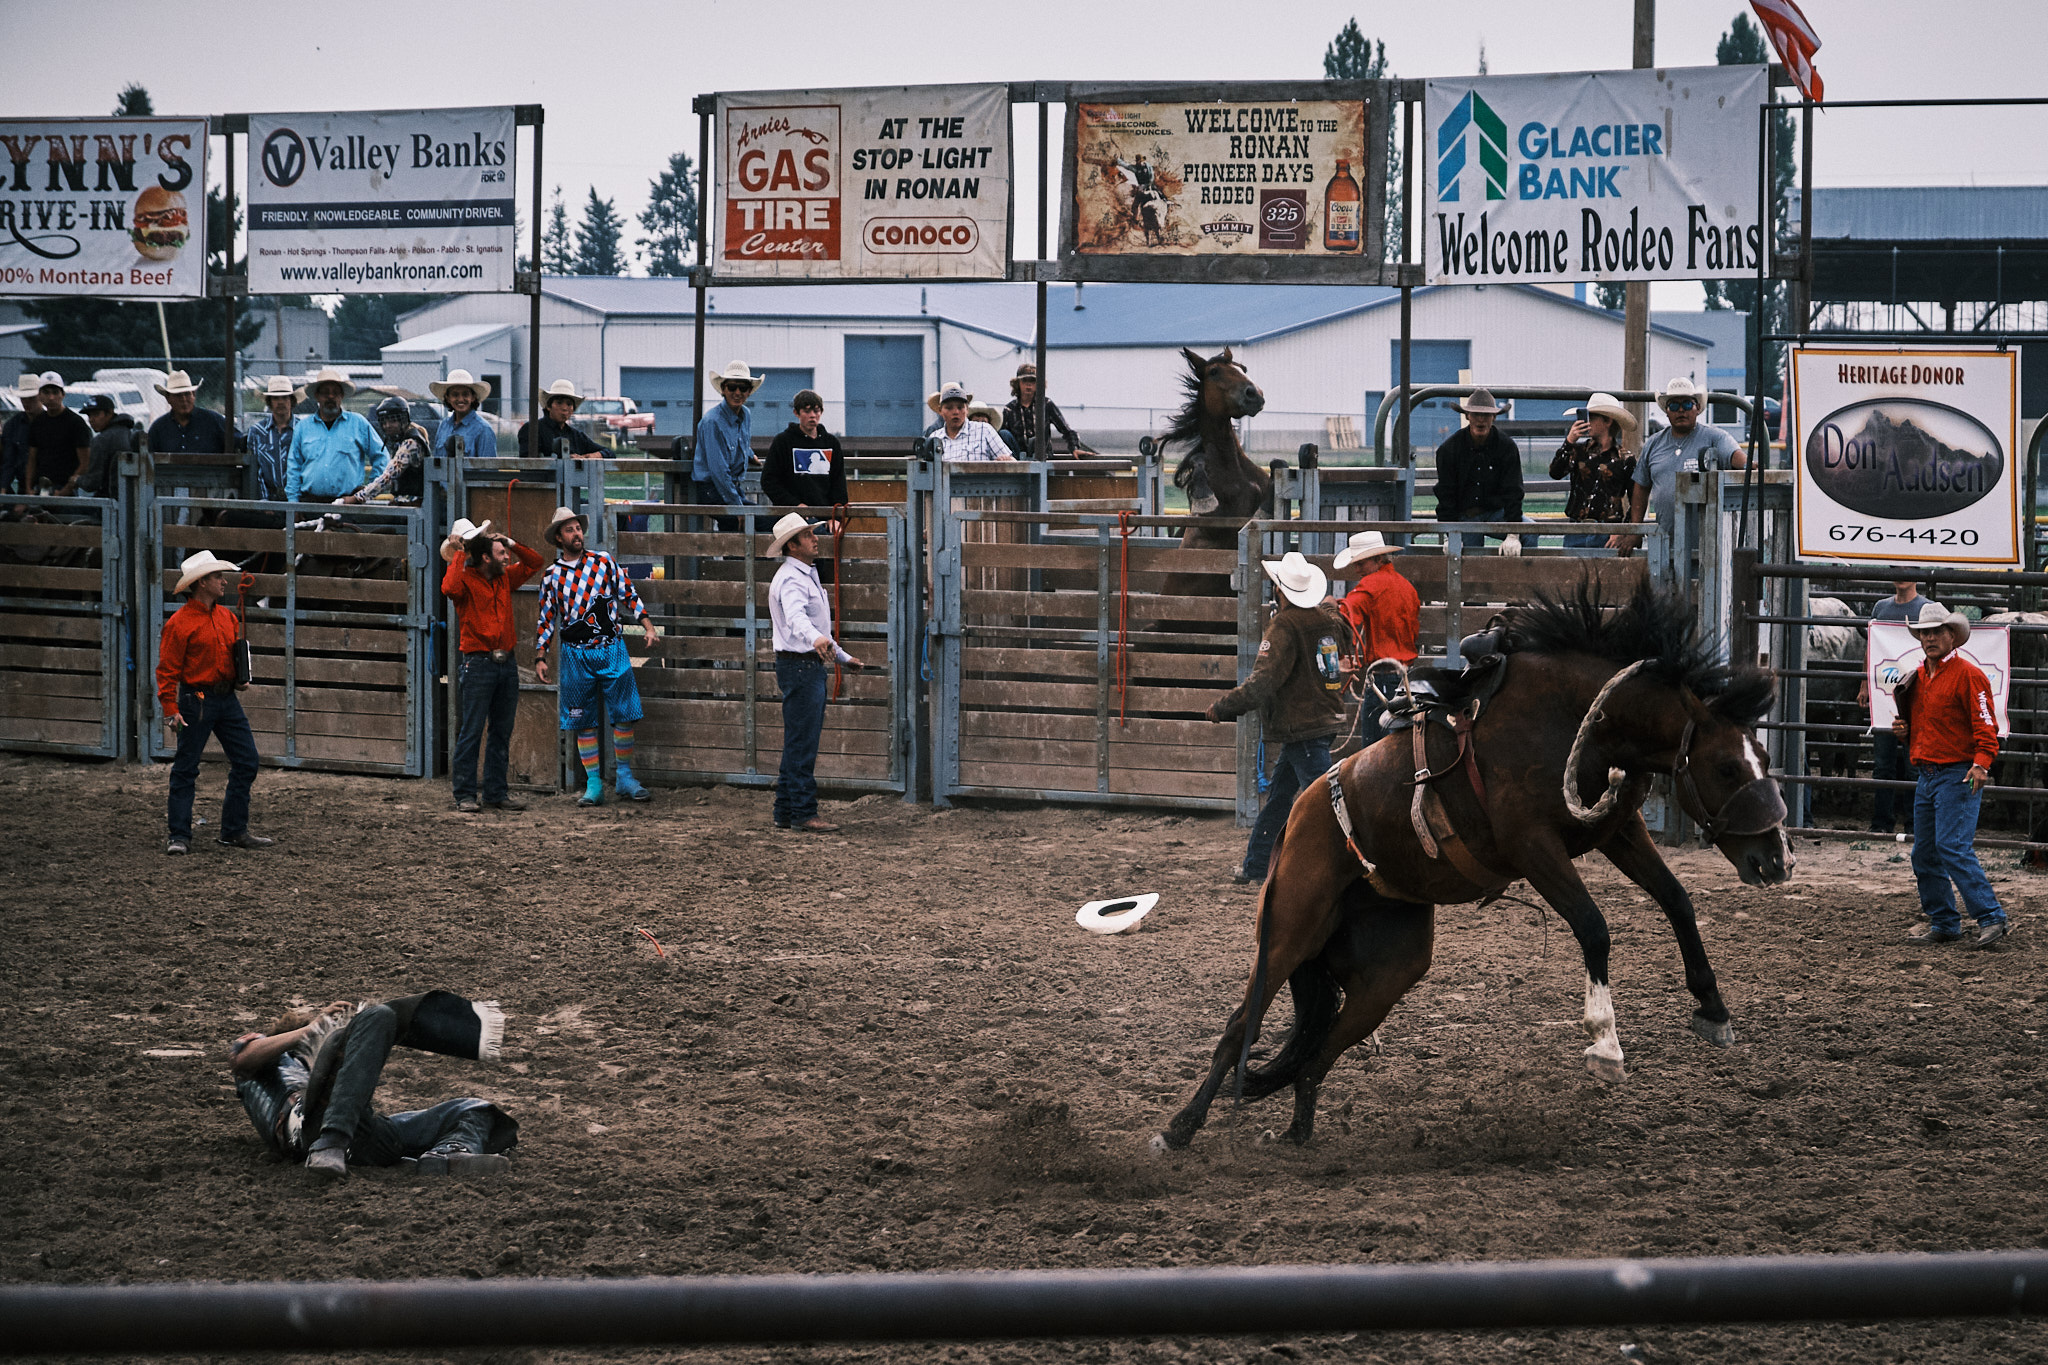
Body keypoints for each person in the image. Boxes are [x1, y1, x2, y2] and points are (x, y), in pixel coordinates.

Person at [229, 991, 517, 1181]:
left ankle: (446, 1155)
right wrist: (311, 1030)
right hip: (310, 1130)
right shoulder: (274, 1062)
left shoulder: (331, 1080)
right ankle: (331, 1142)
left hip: (360, 1134)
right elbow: (241, 1058)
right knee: (378, 1015)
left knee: (475, 1109)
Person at [1208, 551, 1349, 885]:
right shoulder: (1326, 621)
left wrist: (1225, 706)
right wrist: (1330, 606)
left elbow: (1263, 682)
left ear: (1280, 590)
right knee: (1282, 796)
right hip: (1320, 719)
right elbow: (1336, 627)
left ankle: (1350, 863)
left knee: (1326, 799)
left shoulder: (1284, 626)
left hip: (1301, 725)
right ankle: (1256, 865)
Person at [1892, 603, 2009, 949]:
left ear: (1952, 636)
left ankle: (1989, 917)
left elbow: (1987, 726)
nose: (1929, 638)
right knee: (1928, 852)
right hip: (1931, 773)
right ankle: (1946, 921)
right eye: (1925, 633)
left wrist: (1981, 763)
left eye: (1936, 632)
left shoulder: (1968, 676)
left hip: (1958, 772)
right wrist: (1904, 731)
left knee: (1949, 847)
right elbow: (1921, 728)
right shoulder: (1918, 677)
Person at [535, 506, 656, 807]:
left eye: (578, 528)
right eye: (570, 530)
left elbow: (628, 593)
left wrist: (648, 625)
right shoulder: (552, 576)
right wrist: (540, 656)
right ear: (559, 538)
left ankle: (625, 777)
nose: (577, 533)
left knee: (625, 713)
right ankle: (593, 783)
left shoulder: (604, 562)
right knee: (582, 720)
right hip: (575, 654)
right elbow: (547, 619)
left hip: (611, 646)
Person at [157, 550, 269, 856]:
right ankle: (181, 834)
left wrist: (238, 677)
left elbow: (232, 655)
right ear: (202, 583)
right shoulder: (180, 623)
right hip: (197, 700)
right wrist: (171, 710)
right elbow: (167, 670)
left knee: (246, 760)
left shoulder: (225, 617)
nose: (223, 581)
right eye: (218, 577)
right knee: (187, 767)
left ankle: (230, 831)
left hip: (220, 698)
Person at [767, 511, 865, 833]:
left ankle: (786, 809)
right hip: (801, 666)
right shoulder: (795, 579)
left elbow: (811, 627)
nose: (815, 538)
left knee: (797, 740)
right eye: (808, 535)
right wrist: (824, 644)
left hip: (800, 665)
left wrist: (841, 656)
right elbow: (801, 621)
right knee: (802, 742)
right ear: (793, 545)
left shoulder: (799, 574)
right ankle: (803, 812)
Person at [441, 518, 542, 814]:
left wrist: (508, 541)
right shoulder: (467, 580)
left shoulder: (503, 577)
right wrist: (459, 552)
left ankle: (493, 793)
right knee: (473, 730)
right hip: (480, 663)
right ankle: (465, 794)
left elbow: (534, 561)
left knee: (500, 730)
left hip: (502, 663)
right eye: (501, 553)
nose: (507, 557)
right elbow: (449, 587)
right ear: (485, 557)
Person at [1608, 377, 1744, 573]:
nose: (1681, 410)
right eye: (1674, 405)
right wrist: (1636, 529)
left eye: (1687, 404)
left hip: (1709, 544)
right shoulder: (1654, 444)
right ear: (1667, 411)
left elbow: (1735, 456)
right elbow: (1641, 486)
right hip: (1667, 542)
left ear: (1697, 408)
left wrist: (1750, 465)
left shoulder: (1716, 437)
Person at [1860, 579, 1933, 834]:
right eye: (1897, 569)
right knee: (1884, 763)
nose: (1902, 574)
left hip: (1912, 695)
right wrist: (1864, 684)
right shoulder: (1881, 608)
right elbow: (1872, 647)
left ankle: (1913, 822)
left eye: (1907, 569)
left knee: (1913, 761)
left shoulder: (1928, 609)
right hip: (1886, 695)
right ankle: (1884, 821)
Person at [1333, 529, 1417, 747]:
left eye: (1361, 563)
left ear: (1378, 559)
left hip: (1383, 678)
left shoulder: (1370, 585)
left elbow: (1346, 615)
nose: (1357, 569)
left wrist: (1341, 653)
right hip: (1407, 677)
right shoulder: (1407, 587)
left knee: (1373, 750)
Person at [1432, 389, 1523, 550]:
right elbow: (1446, 495)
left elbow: (1513, 491)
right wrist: (1450, 533)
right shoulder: (1449, 449)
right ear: (1467, 416)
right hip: (1465, 516)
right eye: (1475, 414)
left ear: (1494, 417)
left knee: (1530, 533)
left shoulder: (1506, 447)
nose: (1481, 420)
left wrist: (1513, 533)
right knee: (1464, 560)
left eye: (1486, 415)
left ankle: (1521, 575)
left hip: (1497, 514)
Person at [1549, 392, 1638, 549]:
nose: (1587, 421)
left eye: (1592, 417)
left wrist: (1622, 530)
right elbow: (1555, 472)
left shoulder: (1626, 460)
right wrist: (1569, 442)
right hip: (1576, 530)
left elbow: (1636, 500)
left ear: (1608, 421)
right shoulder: (1577, 451)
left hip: (1608, 533)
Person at [285, 369, 386, 504]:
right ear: (317, 396)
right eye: (325, 393)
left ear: (342, 396)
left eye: (335, 393)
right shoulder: (303, 428)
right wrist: (293, 502)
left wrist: (367, 492)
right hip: (311, 503)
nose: (331, 396)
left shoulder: (358, 423)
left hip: (348, 504)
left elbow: (382, 456)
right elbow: (294, 467)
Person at [761, 389, 848, 517]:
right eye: (807, 411)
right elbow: (769, 480)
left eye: (816, 411)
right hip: (792, 516)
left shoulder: (831, 443)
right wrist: (794, 505)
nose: (812, 415)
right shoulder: (783, 441)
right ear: (796, 412)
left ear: (821, 412)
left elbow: (838, 483)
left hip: (826, 517)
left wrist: (835, 517)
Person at [339, 396, 429, 505]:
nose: (388, 426)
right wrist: (365, 490)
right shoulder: (403, 441)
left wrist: (357, 498)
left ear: (404, 419)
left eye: (393, 421)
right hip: (406, 502)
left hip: (414, 504)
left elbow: (388, 477)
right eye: (384, 422)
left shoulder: (410, 443)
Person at [1001, 363, 1094, 457]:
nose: (1028, 385)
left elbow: (1066, 430)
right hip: (1017, 459)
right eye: (1025, 380)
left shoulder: (1046, 404)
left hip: (1042, 458)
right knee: (1003, 433)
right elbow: (1001, 438)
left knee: (1036, 440)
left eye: (1033, 381)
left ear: (1039, 384)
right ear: (1017, 383)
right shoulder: (1009, 409)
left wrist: (1074, 448)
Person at [25, 372, 90, 496]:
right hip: (42, 488)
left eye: (55, 392)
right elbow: (32, 459)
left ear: (63, 395)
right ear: (39, 396)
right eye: (47, 392)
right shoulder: (37, 423)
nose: (51, 397)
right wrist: (29, 489)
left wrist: (65, 490)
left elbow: (85, 463)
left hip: (68, 489)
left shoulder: (76, 423)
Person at [145, 370, 232, 456]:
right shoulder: (158, 429)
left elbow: (238, 441)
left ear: (193, 395)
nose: (183, 399)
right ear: (168, 398)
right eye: (178, 395)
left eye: (187, 394)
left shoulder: (214, 421)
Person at [244, 375, 299, 503]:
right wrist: (264, 499)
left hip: (298, 499)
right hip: (269, 499)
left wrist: (298, 500)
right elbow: (255, 469)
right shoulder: (257, 431)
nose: (280, 402)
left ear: (291, 400)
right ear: (269, 402)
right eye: (275, 398)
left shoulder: (302, 429)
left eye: (285, 397)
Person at [519, 379, 605, 458]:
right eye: (559, 403)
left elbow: (608, 453)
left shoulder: (576, 435)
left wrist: (593, 456)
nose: (564, 408)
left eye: (569, 404)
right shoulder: (532, 430)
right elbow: (528, 461)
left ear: (573, 409)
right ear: (548, 406)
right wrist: (567, 459)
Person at [929, 383, 1012, 461]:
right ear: (940, 411)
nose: (955, 412)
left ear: (967, 409)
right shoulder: (934, 438)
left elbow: (1012, 463)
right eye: (949, 408)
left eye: (960, 407)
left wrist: (1005, 461)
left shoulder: (984, 430)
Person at [77, 394, 138, 499]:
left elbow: (92, 483)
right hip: (134, 498)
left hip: (110, 502)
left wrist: (77, 480)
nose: (91, 420)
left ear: (109, 413)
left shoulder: (101, 440)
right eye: (89, 415)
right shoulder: (129, 433)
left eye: (96, 414)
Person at [430, 370, 496, 459]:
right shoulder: (444, 426)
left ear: (473, 397)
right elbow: (437, 463)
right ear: (448, 398)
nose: (460, 399)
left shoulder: (483, 429)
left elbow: (488, 468)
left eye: (465, 394)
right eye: (455, 395)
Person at [1, 373, 46, 496]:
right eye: (23, 398)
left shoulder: (51, 423)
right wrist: (3, 489)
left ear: (40, 397)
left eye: (31, 398)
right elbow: (8, 461)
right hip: (23, 486)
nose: (26, 402)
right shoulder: (12, 425)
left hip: (47, 486)